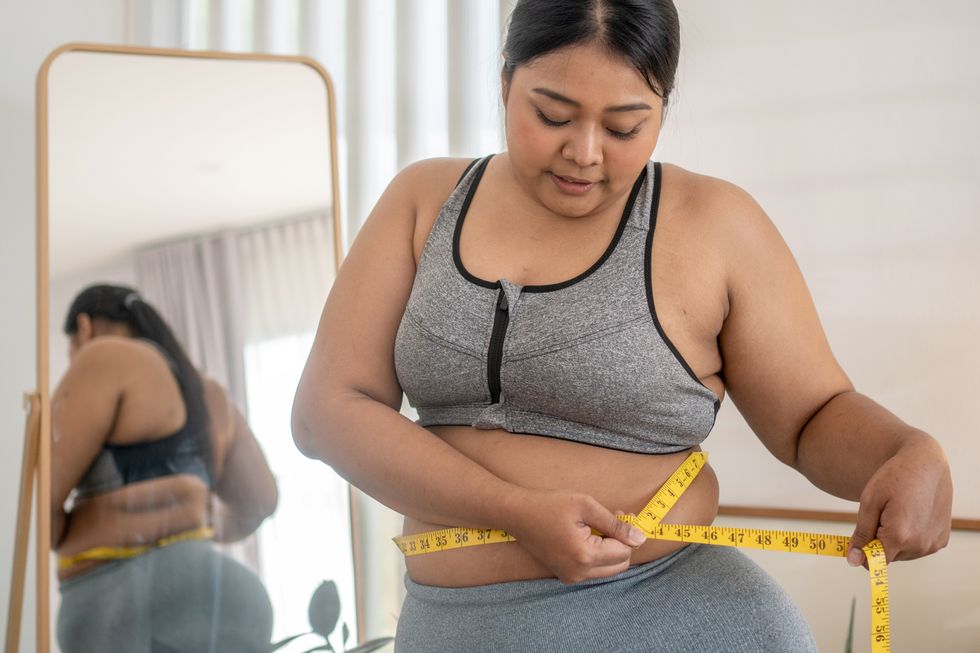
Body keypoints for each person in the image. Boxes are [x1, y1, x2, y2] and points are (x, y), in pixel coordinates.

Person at [291, 1, 953, 650]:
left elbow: (813, 416)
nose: (583, 152)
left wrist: (905, 451)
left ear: (663, 106)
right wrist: (513, 510)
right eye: (552, 114)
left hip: (688, 622)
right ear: (503, 79)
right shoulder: (423, 202)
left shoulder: (714, 225)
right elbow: (325, 410)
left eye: (625, 126)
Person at [53, 283, 278, 653]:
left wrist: (85, 526)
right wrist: (185, 531)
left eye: (70, 351)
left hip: (120, 614)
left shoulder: (102, 358)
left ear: (84, 328)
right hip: (233, 602)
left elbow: (39, 504)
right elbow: (262, 502)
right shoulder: (211, 394)